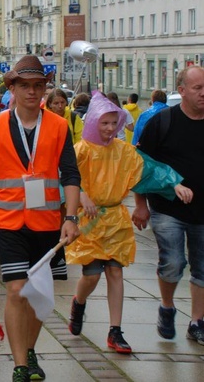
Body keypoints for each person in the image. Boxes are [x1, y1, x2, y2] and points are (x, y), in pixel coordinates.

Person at [0, 55, 81, 382]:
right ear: (12, 89)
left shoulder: (59, 126)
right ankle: (20, 365)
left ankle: (29, 350)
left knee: (38, 293)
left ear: (44, 89)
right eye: (25, 86)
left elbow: (71, 174)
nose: (32, 92)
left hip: (47, 223)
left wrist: (70, 216)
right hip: (7, 222)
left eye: (37, 86)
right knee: (17, 289)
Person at [66, 92, 192, 354]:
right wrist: (82, 195)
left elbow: (149, 169)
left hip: (115, 219)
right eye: (105, 123)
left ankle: (115, 330)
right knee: (91, 276)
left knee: (115, 271)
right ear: (93, 123)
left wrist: (175, 183)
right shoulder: (81, 150)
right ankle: (79, 302)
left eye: (115, 123)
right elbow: (64, 177)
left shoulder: (124, 151)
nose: (111, 128)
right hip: (90, 222)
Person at [133, 66, 204, 345]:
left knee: (202, 268)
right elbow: (139, 167)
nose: (203, 93)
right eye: (198, 88)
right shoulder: (162, 123)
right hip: (167, 209)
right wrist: (140, 205)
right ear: (182, 91)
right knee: (173, 262)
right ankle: (166, 305)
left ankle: (197, 321)